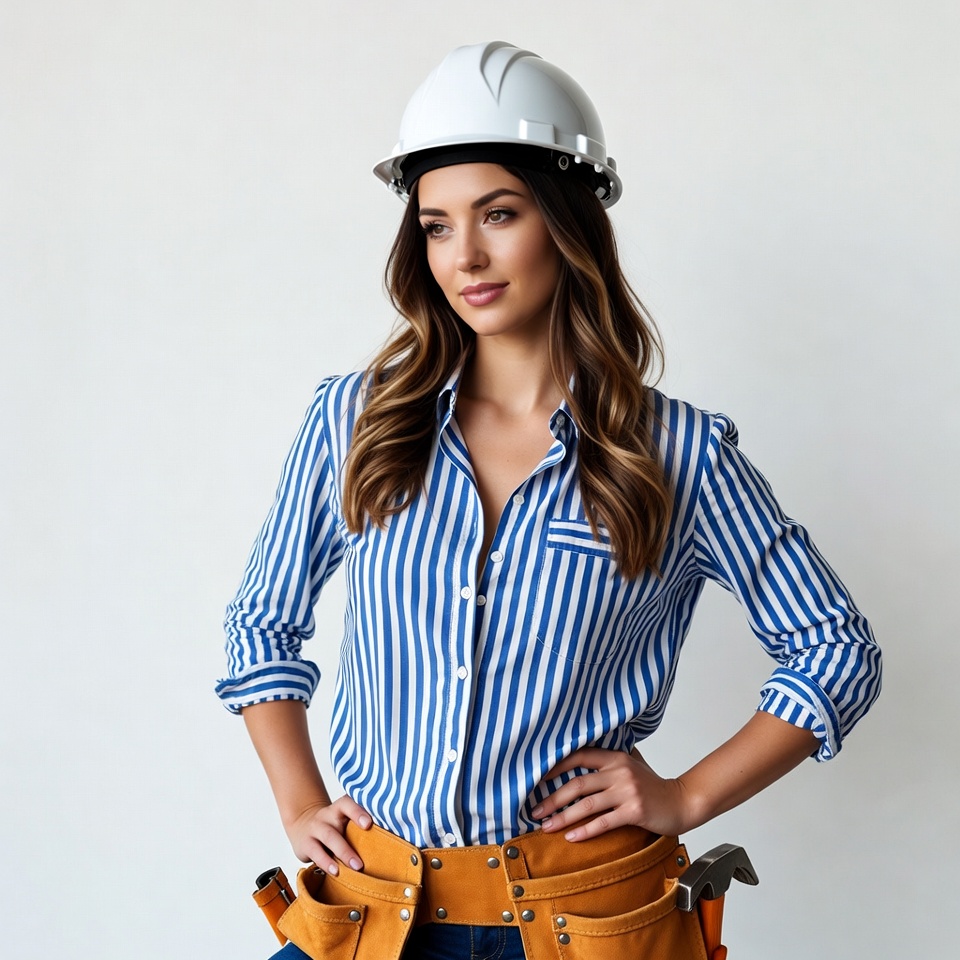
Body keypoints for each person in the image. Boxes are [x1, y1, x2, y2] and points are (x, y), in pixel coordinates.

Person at [218, 41, 881, 960]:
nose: (466, 255)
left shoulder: (673, 452)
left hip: (582, 921)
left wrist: (685, 796)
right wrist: (298, 802)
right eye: (437, 225)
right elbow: (262, 623)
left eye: (499, 213)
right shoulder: (355, 420)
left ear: (566, 224)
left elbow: (836, 649)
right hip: (368, 914)